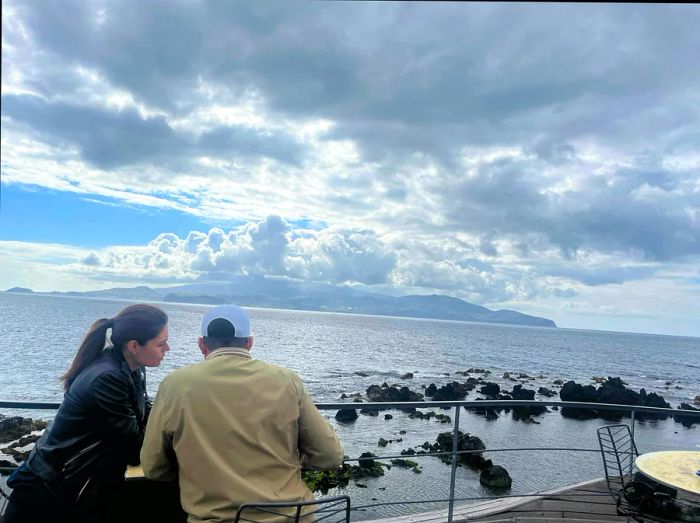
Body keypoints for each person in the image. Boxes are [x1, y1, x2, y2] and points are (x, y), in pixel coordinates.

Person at [141, 304, 344, 523]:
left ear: (202, 344)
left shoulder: (174, 385)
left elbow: (154, 467)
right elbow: (330, 456)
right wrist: (288, 460)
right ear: (249, 342)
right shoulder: (287, 381)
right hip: (292, 517)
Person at [5, 303, 169, 523]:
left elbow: (145, 412)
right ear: (134, 345)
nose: (167, 349)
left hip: (72, 487)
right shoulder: (107, 379)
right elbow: (133, 447)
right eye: (162, 343)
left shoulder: (131, 368)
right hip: (49, 495)